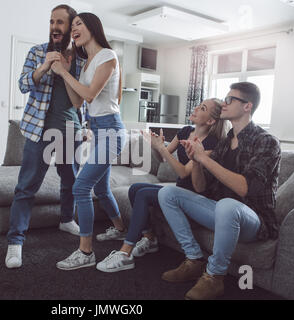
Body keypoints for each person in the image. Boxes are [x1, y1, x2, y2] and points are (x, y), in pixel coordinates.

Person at [157, 82, 281, 300]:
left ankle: (214, 276)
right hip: (221, 211)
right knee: (167, 193)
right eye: (225, 98)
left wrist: (204, 158)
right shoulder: (224, 144)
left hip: (254, 220)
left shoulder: (267, 142)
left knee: (228, 205)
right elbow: (200, 187)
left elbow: (245, 188)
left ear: (247, 106)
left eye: (230, 99)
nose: (224, 103)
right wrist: (196, 160)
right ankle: (194, 259)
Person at [96, 98, 228, 273]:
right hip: (177, 189)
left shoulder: (211, 144)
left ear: (211, 120)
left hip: (194, 196)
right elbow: (162, 159)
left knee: (142, 194)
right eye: (198, 104)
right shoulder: (185, 131)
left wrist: (162, 148)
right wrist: (156, 147)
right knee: (136, 189)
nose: (195, 108)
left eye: (202, 108)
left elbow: (183, 172)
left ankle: (125, 253)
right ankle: (149, 239)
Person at [5, 4, 86, 269]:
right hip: (39, 131)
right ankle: (15, 241)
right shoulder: (37, 51)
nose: (54, 26)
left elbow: (83, 98)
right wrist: (44, 67)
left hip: (71, 131)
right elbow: (22, 84)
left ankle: (66, 219)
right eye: (52, 21)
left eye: (61, 22)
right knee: (27, 186)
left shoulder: (81, 60)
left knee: (70, 180)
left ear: (72, 26)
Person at [49, 12, 127, 271]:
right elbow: (77, 101)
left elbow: (91, 95)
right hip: (97, 129)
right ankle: (120, 230)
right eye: (72, 27)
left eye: (79, 24)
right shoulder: (85, 64)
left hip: (112, 130)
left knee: (81, 187)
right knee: (102, 189)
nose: (74, 30)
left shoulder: (107, 55)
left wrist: (63, 72)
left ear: (93, 27)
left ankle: (86, 252)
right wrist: (63, 73)